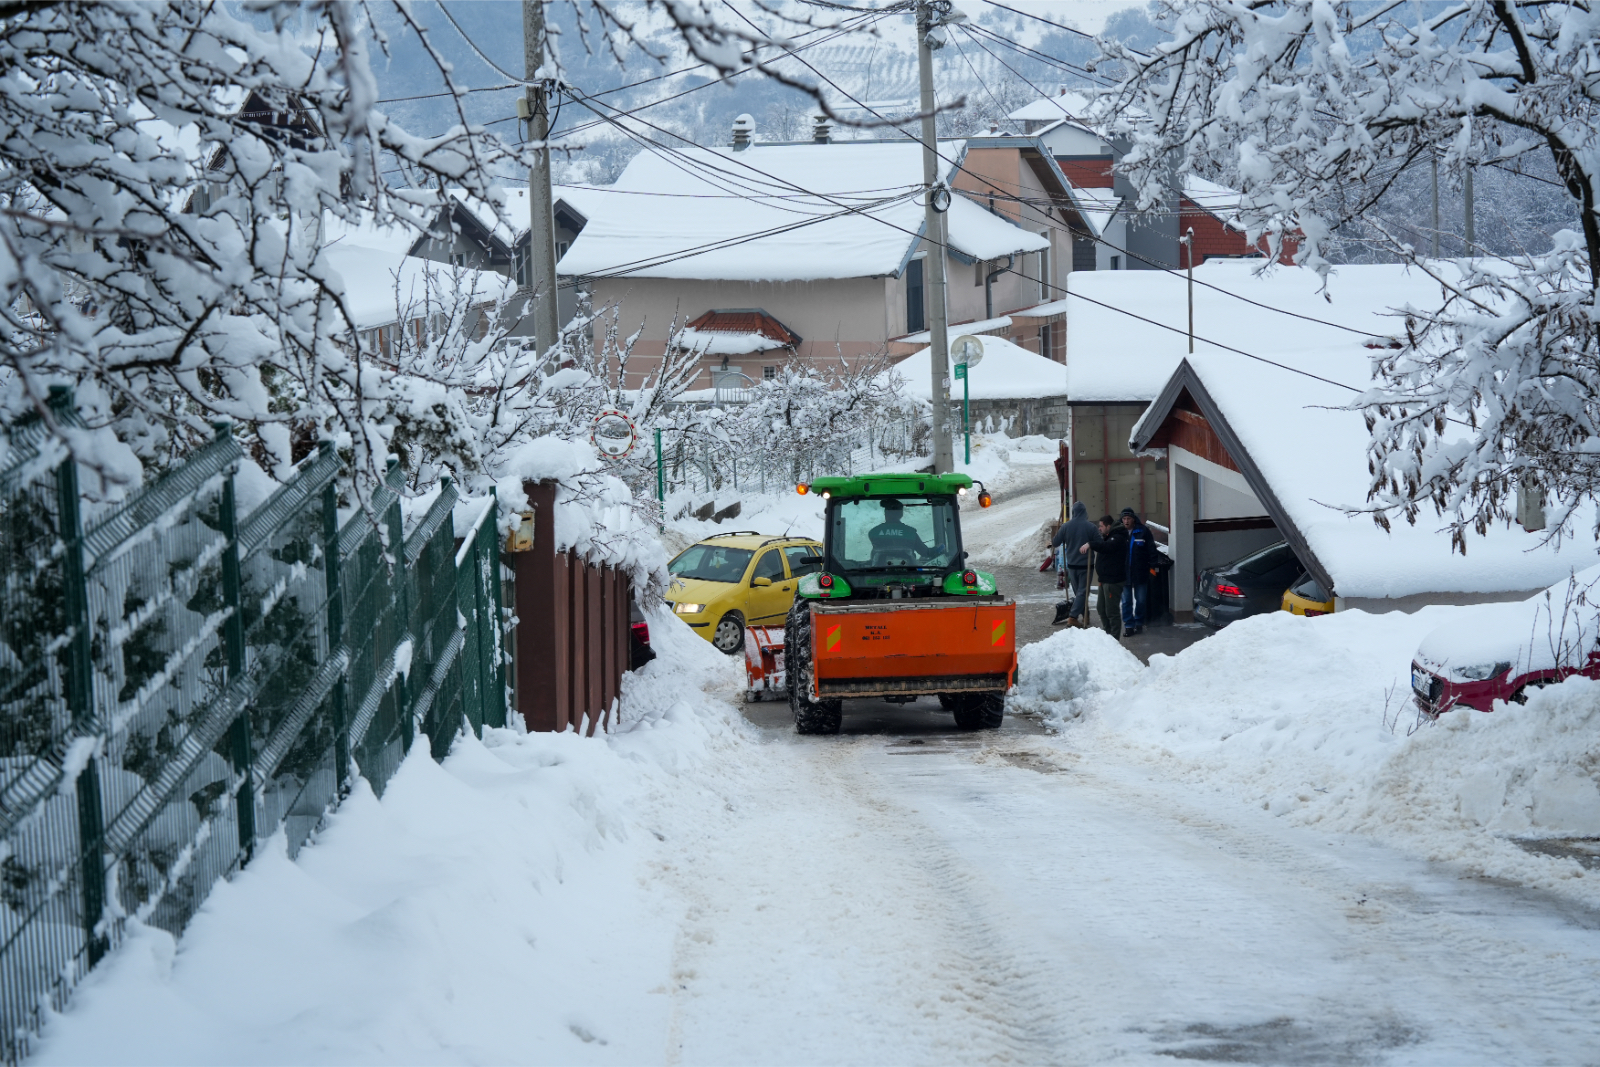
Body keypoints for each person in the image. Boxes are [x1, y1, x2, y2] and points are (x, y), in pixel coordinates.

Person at [1080, 515, 1128, 636]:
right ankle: (1107, 635)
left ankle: (1114, 639)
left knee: (1112, 612)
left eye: (1101, 526)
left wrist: (1091, 544)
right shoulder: (1108, 536)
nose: (1099, 528)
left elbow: (1107, 548)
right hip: (1105, 579)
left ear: (1108, 526)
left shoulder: (1118, 537)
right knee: (1101, 608)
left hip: (1113, 580)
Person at [1050, 500, 1096, 626]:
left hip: (1072, 564)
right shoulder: (1091, 527)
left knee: (1079, 592)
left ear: (1073, 512)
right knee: (1082, 592)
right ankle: (1073, 616)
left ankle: (1085, 615)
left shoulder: (1066, 526)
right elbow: (1099, 543)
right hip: (1086, 565)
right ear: (1085, 512)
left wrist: (1060, 535)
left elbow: (1055, 543)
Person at [1119, 507, 1156, 634]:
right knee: (1126, 601)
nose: (1126, 521)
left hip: (1141, 571)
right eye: (1124, 519)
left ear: (1134, 519)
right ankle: (1129, 625)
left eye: (1129, 518)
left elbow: (1151, 549)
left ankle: (1139, 622)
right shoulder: (1119, 533)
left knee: (1141, 600)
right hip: (1124, 572)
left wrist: (1152, 566)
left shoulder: (1143, 531)